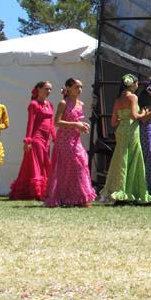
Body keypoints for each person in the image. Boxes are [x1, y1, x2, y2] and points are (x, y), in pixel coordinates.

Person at [99, 74, 151, 205]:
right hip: (131, 131)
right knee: (132, 159)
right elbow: (135, 115)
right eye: (136, 83)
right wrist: (144, 114)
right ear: (132, 84)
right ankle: (128, 193)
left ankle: (118, 191)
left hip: (121, 131)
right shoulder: (133, 97)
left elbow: (113, 122)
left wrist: (122, 118)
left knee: (121, 160)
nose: (137, 86)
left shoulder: (118, 100)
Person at [45, 78, 96, 207]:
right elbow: (56, 122)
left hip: (75, 140)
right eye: (76, 87)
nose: (79, 90)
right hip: (64, 140)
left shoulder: (80, 104)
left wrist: (82, 126)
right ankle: (64, 197)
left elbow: (77, 121)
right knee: (66, 168)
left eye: (81, 87)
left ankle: (79, 198)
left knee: (80, 165)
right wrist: (76, 124)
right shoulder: (63, 103)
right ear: (68, 88)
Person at [9, 81, 54, 200]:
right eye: (46, 89)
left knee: (45, 163)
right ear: (38, 89)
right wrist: (28, 141)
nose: (48, 91)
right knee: (37, 164)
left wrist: (54, 136)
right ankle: (37, 192)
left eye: (50, 89)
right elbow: (30, 123)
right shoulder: (33, 104)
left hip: (46, 139)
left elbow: (51, 124)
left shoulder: (50, 105)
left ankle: (44, 190)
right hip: (36, 138)